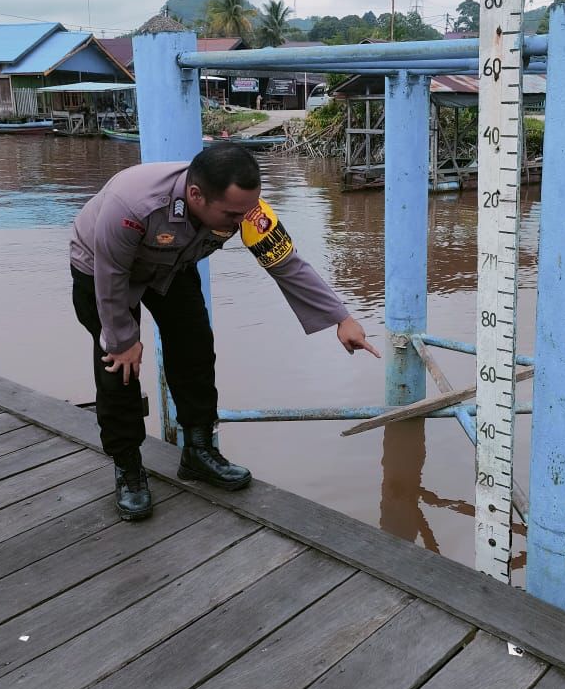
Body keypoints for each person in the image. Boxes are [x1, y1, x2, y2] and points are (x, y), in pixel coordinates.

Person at [70, 143, 379, 521]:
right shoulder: (133, 205)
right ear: (196, 195)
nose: (241, 223)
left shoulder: (246, 209)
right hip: (100, 270)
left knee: (196, 346)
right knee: (118, 366)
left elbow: (286, 264)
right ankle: (128, 468)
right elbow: (111, 274)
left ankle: (198, 451)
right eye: (232, 216)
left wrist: (340, 318)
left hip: (170, 267)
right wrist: (123, 340)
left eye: (246, 212)